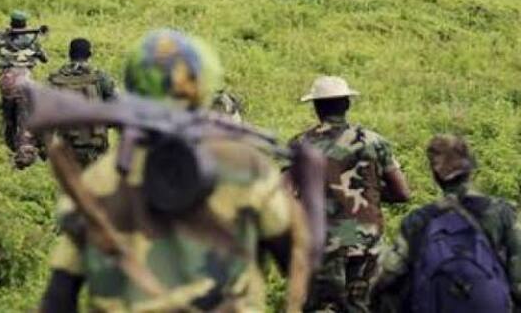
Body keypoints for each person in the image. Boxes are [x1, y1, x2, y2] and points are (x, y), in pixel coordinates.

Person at [40, 29, 314, 312]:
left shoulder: (103, 176)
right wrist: (312, 187)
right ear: (202, 86)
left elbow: (59, 295)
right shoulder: (245, 166)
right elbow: (297, 260)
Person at [287, 75, 411, 313]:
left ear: (316, 107)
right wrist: (367, 190)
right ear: (347, 104)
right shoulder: (373, 141)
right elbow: (402, 193)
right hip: (367, 245)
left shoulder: (301, 144)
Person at [371, 135, 521, 313]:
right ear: (471, 167)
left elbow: (389, 274)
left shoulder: (418, 220)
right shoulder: (503, 213)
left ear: (435, 175)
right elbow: (518, 276)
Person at [0, 11, 48, 168]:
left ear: (11, 23)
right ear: (25, 24)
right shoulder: (32, 41)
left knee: (8, 119)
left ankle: (9, 149)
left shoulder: (1, 39)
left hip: (7, 83)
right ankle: (26, 152)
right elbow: (44, 58)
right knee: (24, 119)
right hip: (26, 83)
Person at [47, 38, 117, 168]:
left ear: (70, 54)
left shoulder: (56, 78)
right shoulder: (100, 77)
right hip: (94, 142)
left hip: (67, 142)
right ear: (89, 54)